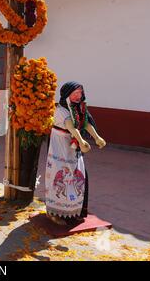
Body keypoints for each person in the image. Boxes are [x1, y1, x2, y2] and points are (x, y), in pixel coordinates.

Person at [44, 82, 106, 225]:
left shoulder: (80, 109)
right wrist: (82, 141)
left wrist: (97, 137)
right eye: (75, 93)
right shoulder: (61, 110)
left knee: (78, 176)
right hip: (60, 147)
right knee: (59, 177)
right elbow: (71, 127)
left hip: (73, 148)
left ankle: (74, 211)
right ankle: (53, 212)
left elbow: (86, 124)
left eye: (80, 92)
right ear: (67, 94)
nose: (79, 95)